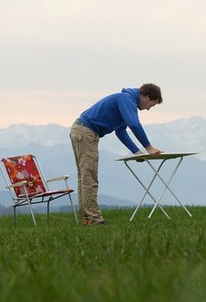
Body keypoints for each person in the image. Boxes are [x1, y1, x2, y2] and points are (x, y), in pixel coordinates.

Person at [69, 83, 163, 225]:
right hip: (86, 132)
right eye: (151, 105)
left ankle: (87, 218)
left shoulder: (126, 101)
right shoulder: (126, 100)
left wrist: (136, 152)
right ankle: (95, 219)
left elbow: (121, 131)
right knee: (89, 177)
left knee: (84, 176)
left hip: (81, 130)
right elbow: (134, 124)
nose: (149, 109)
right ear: (147, 96)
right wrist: (149, 147)